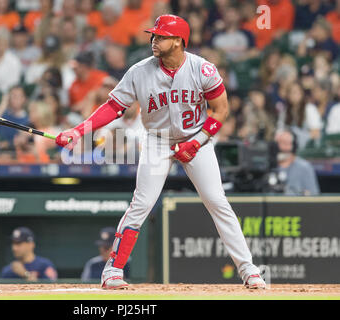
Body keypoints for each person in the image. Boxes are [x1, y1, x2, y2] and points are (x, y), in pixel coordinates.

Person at [55, 15, 266, 290]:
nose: (154, 40)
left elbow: (221, 110)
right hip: (157, 140)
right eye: (154, 36)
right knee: (141, 204)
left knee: (217, 201)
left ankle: (249, 270)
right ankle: (113, 271)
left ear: (179, 41)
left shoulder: (202, 69)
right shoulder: (139, 71)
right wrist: (80, 130)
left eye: (161, 36)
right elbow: (113, 107)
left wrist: (198, 141)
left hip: (196, 139)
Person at [274, 129, 320, 195]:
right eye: (279, 143)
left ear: (294, 146)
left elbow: (314, 195)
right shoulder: (270, 165)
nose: (282, 147)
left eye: (286, 143)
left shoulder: (304, 167)